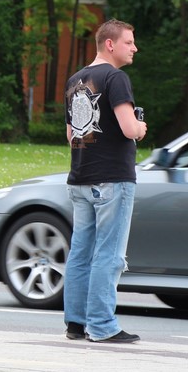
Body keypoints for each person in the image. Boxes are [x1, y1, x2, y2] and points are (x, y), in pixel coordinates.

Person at [63, 19, 147, 344]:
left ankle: (76, 322)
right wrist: (140, 127)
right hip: (112, 178)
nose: (134, 48)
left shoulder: (75, 80)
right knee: (109, 255)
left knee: (80, 253)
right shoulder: (116, 78)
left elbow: (71, 135)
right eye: (129, 42)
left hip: (80, 177)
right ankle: (102, 325)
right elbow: (128, 128)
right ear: (110, 44)